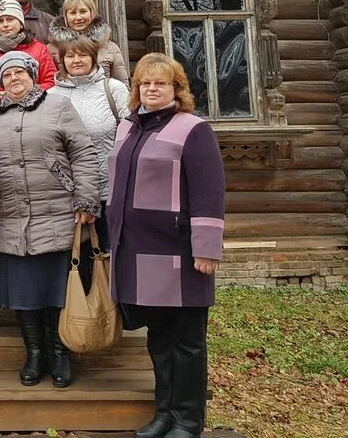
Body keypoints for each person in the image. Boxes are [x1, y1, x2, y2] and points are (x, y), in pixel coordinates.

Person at [108, 53, 225, 438]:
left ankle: (189, 420)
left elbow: (209, 192)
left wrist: (206, 247)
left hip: (181, 253)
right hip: (140, 251)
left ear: (177, 89)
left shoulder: (193, 129)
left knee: (187, 341)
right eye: (144, 83)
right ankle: (164, 413)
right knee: (159, 338)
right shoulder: (127, 127)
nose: (151, 89)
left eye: (160, 83)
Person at [0, 51, 99, 388]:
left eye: (20, 72)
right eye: (6, 75)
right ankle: (34, 354)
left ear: (33, 76)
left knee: (58, 291)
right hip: (12, 217)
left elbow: (84, 152)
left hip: (59, 213)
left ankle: (61, 354)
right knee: (24, 294)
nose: (14, 79)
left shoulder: (58, 106)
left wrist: (86, 199)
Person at [52, 34, 130, 250]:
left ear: (94, 58)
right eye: (70, 55)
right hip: (65, 193)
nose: (76, 60)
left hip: (108, 190)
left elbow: (131, 133)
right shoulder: (50, 96)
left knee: (107, 255)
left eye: (83, 55)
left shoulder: (114, 89)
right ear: (61, 60)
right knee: (76, 260)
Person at [0, 0, 57, 107]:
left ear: (21, 22)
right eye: (0, 21)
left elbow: (52, 82)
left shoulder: (39, 49)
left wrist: (28, 93)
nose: (5, 25)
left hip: (35, 110)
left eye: (10, 19)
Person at [48, 0, 129, 84]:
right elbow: (50, 83)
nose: (78, 17)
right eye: (73, 13)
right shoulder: (52, 48)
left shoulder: (110, 47)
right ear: (66, 16)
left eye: (83, 11)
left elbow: (122, 85)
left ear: (92, 13)